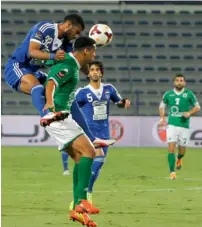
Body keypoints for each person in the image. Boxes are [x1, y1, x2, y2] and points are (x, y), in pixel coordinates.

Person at [4, 14, 115, 148]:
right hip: (17, 66)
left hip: (33, 72)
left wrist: (91, 73)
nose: (76, 36)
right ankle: (47, 116)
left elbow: (77, 61)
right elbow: (31, 51)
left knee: (69, 96)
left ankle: (92, 138)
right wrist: (52, 56)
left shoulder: (66, 44)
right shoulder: (45, 28)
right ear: (68, 25)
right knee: (38, 88)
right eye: (77, 32)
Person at [42, 36, 101, 226]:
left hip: (63, 116)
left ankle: (78, 210)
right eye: (93, 50)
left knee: (79, 159)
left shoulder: (73, 65)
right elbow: (51, 82)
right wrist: (50, 102)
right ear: (86, 51)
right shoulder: (68, 64)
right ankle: (82, 200)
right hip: (58, 116)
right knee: (90, 151)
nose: (95, 54)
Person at [62, 61, 130, 203]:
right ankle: (83, 194)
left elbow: (119, 102)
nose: (94, 72)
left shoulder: (109, 89)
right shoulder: (82, 92)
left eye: (97, 70)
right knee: (97, 159)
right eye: (92, 69)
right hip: (89, 132)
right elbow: (71, 106)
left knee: (98, 164)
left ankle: (87, 192)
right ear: (88, 73)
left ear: (101, 73)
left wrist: (125, 102)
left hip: (104, 131)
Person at [159, 74, 200, 180]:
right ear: (174, 82)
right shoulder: (168, 94)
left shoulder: (189, 94)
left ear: (184, 83)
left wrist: (189, 113)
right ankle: (172, 172)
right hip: (172, 125)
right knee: (171, 149)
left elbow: (197, 107)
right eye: (177, 80)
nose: (179, 82)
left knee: (182, 151)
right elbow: (162, 106)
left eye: (181, 80)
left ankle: (179, 158)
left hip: (184, 126)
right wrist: (162, 119)